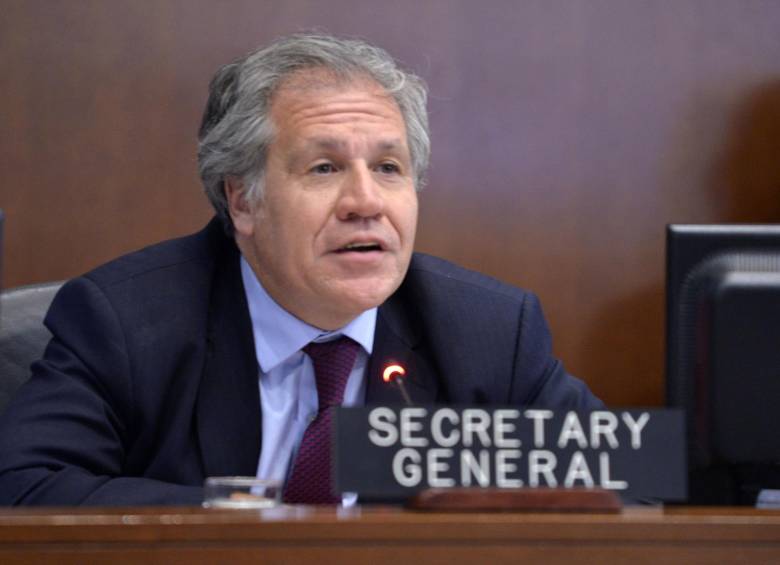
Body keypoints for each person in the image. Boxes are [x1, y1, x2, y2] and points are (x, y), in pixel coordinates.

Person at [0, 34, 601, 506]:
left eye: (388, 168)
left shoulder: (487, 330)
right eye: (324, 168)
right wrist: (254, 523)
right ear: (242, 200)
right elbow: (23, 487)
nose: (366, 202)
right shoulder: (128, 322)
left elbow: (624, 486)